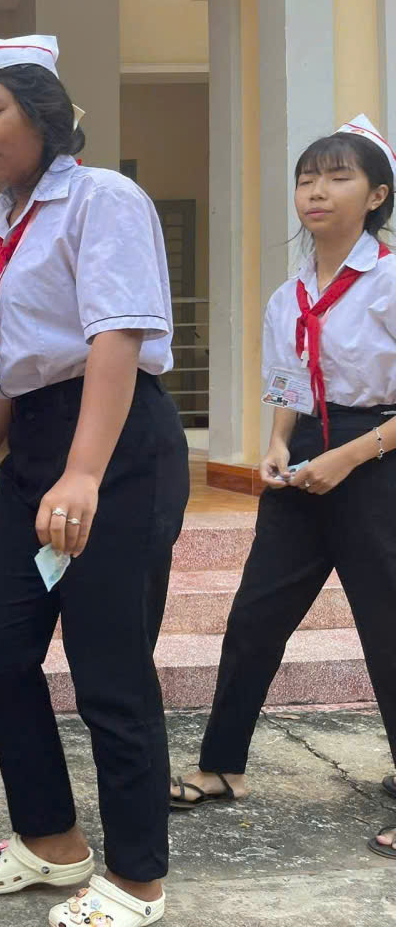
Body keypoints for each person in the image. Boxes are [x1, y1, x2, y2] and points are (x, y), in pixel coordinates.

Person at [0, 28, 189, 927]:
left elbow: (113, 336)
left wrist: (85, 471)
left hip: (116, 447)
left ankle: (137, 879)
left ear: (43, 113)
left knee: (110, 670)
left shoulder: (101, 198)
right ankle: (51, 839)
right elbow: (18, 368)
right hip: (37, 448)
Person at [168, 115, 396, 861]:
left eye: (337, 177)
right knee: (256, 615)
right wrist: (275, 445)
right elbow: (288, 384)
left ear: (377, 196)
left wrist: (350, 456)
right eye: (306, 179)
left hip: (378, 458)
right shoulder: (287, 294)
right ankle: (222, 765)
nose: (316, 192)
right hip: (304, 460)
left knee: (388, 627)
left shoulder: (390, 281)